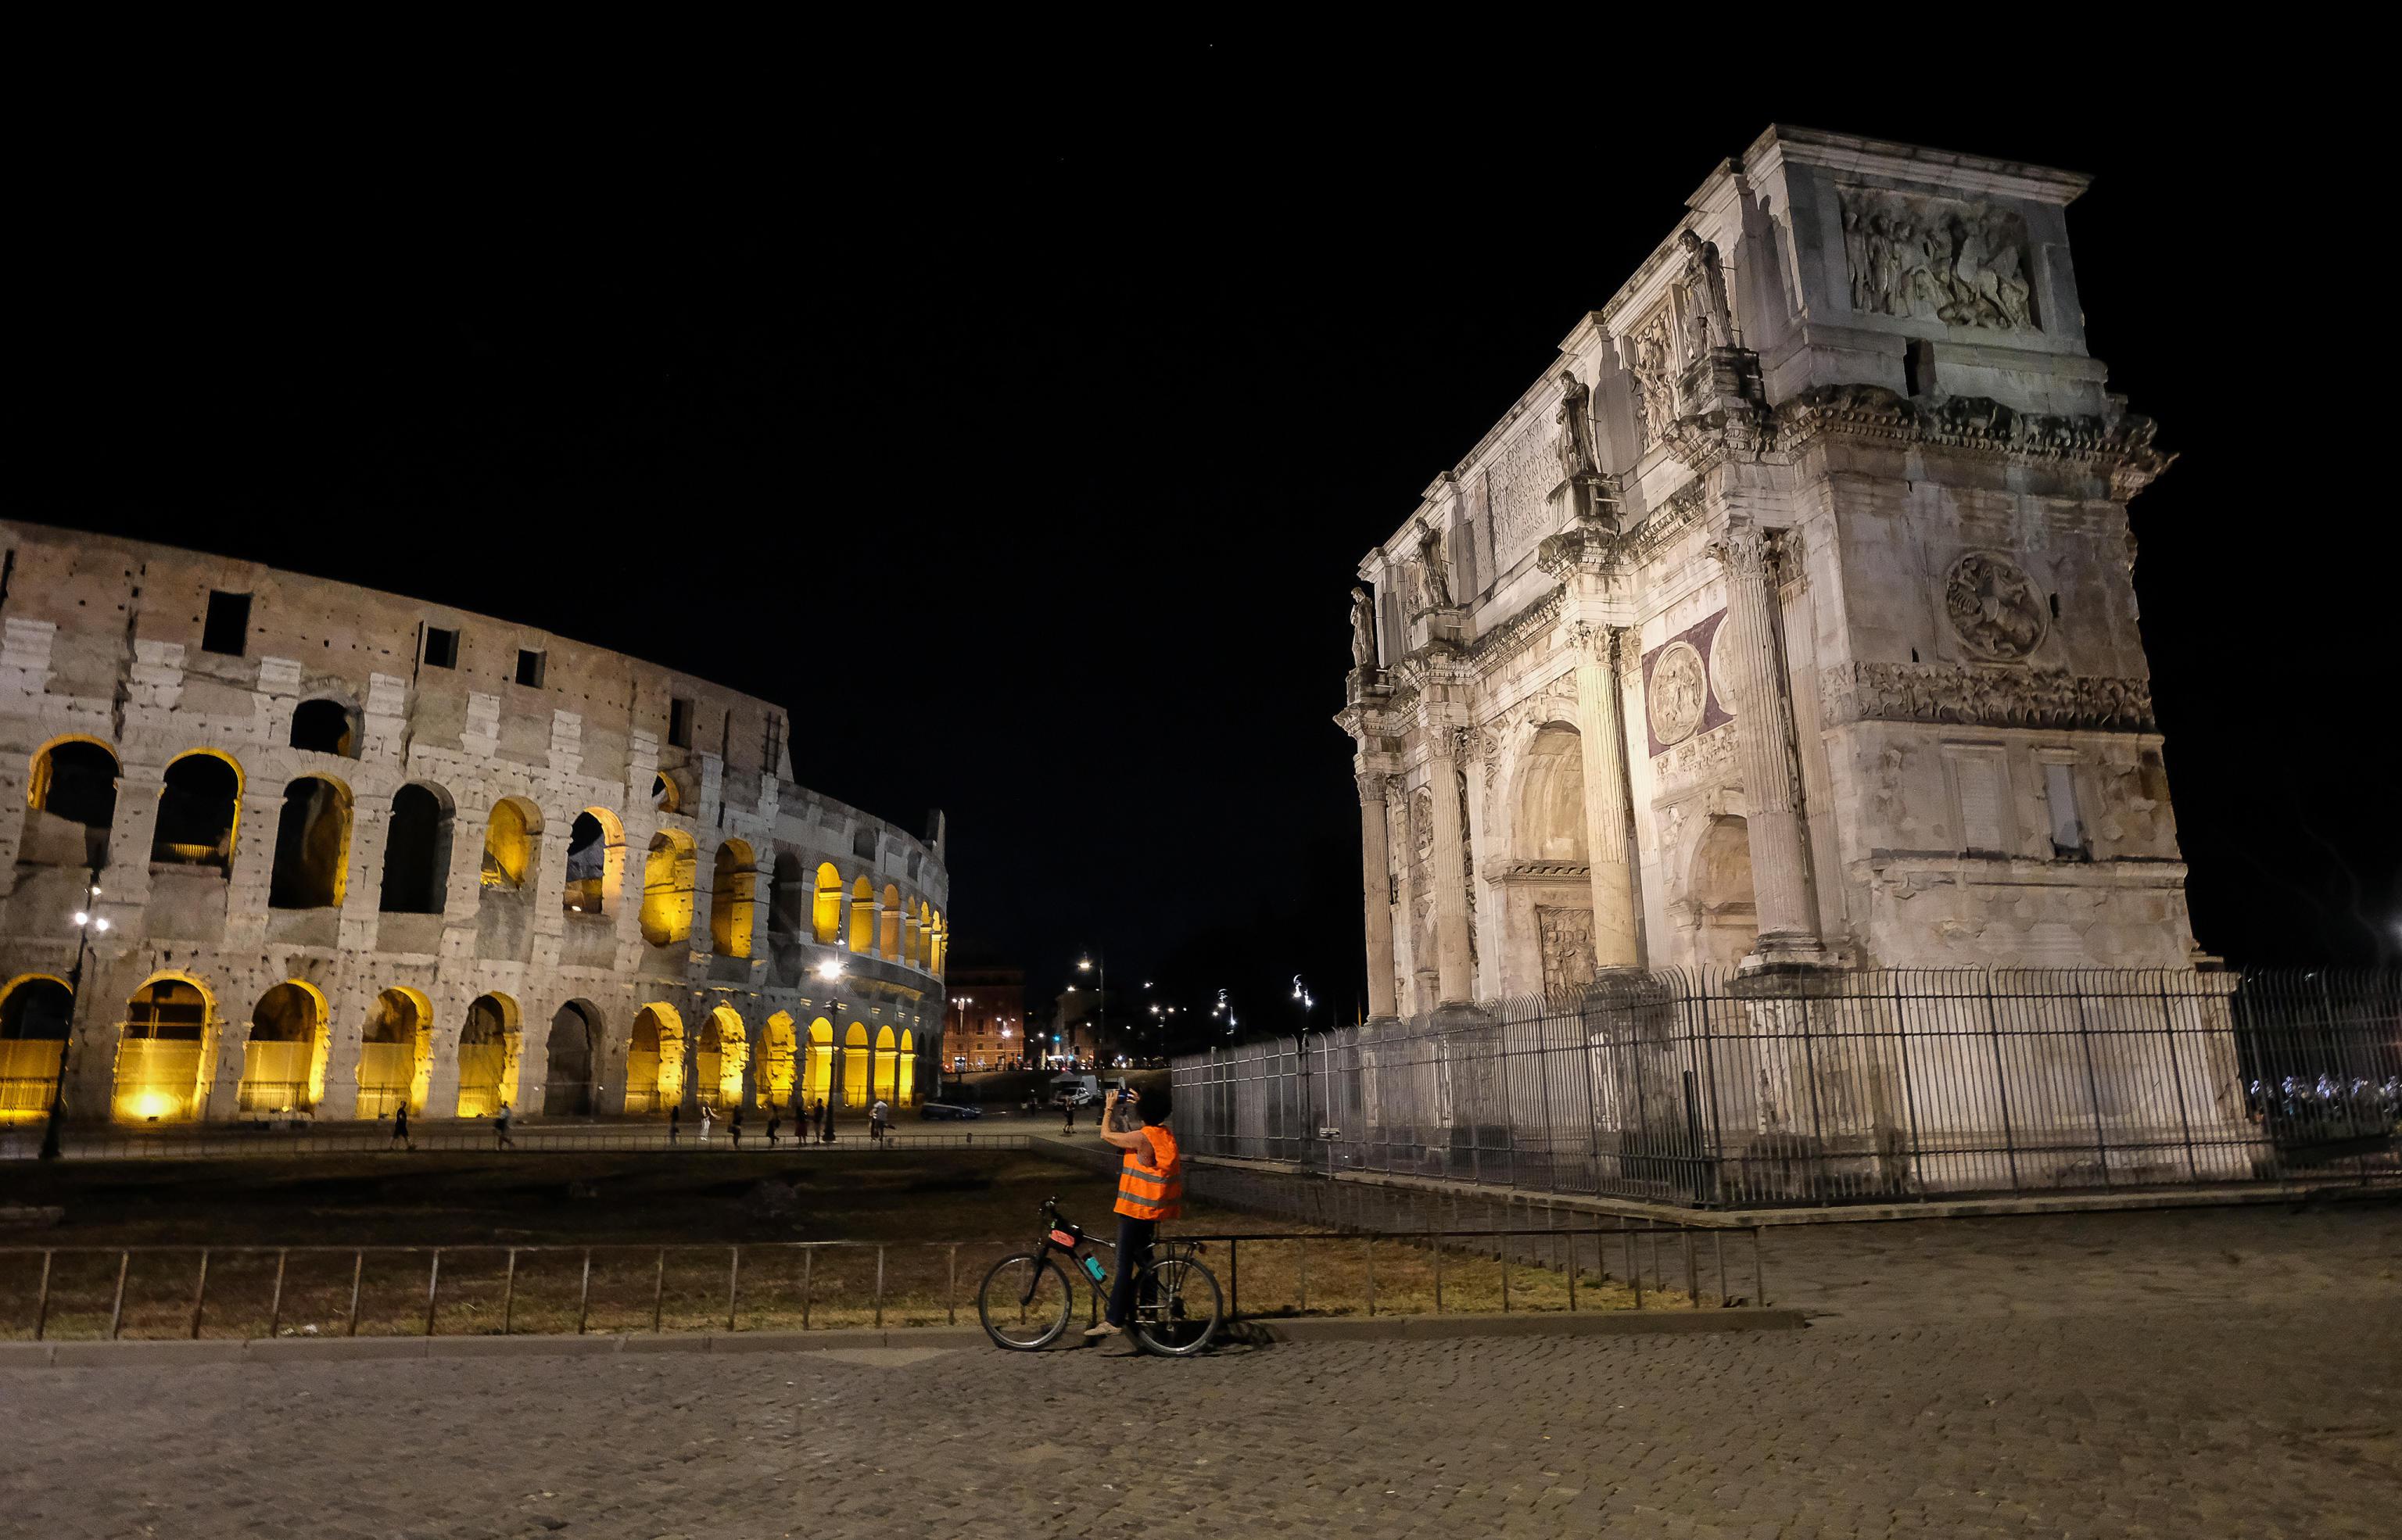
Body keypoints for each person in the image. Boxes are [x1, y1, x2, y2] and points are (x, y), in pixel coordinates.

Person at [1086, 1086, 1181, 1341]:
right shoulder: (1164, 1135)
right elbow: (1151, 1117)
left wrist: (1108, 1108)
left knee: (1124, 1264)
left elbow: (1106, 1135)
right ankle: (1149, 1312)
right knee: (1146, 1263)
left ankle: (1113, 1320)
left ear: (1143, 1114)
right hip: (1151, 1208)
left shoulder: (1142, 1138)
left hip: (1134, 1210)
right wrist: (1144, 1101)